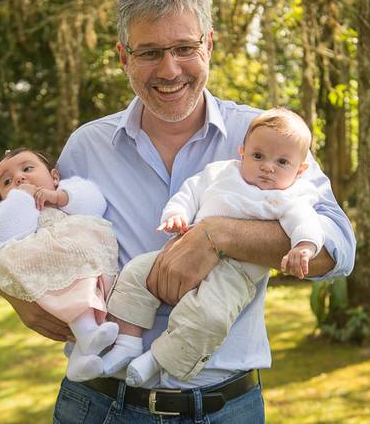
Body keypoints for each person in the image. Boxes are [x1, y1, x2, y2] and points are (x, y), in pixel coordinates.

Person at [0, 0, 356, 423]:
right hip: (100, 405)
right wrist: (17, 298)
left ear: (210, 45)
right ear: (123, 56)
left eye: (185, 48)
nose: (169, 70)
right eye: (150, 52)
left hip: (226, 409)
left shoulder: (267, 138)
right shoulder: (87, 147)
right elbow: (15, 230)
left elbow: (338, 251)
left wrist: (218, 236)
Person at [101, 108, 326, 387]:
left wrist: (304, 246)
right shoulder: (221, 173)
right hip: (183, 248)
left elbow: (306, 222)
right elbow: (190, 192)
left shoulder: (289, 197)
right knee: (135, 272)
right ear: (242, 152)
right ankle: (127, 340)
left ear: (300, 170)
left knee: (210, 317)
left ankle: (157, 359)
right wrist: (176, 214)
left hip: (234, 274)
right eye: (258, 156)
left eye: (282, 162)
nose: (268, 167)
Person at [0, 148, 120, 382]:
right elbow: (6, 229)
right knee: (74, 290)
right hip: (49, 264)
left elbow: (94, 201)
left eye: (27, 168)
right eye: (7, 182)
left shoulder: (68, 189)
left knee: (94, 288)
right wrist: (23, 198)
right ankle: (87, 333)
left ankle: (79, 359)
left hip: (89, 259)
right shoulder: (13, 212)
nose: (19, 178)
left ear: (54, 176)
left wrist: (58, 197)